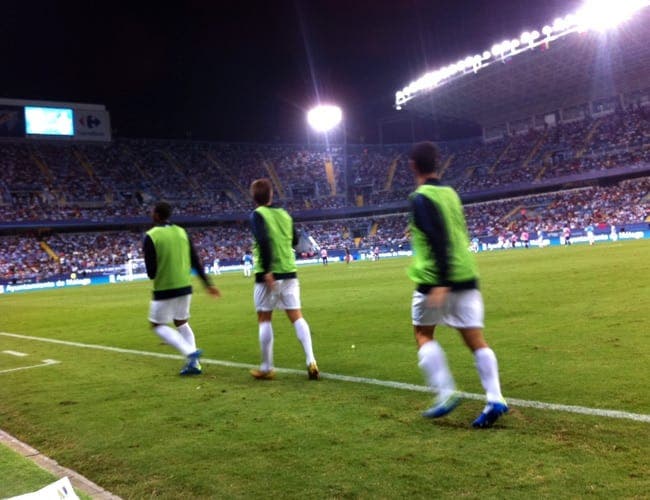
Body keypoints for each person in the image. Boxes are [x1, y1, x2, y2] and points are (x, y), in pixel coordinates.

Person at [406, 142, 507, 428]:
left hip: (435, 279)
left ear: (414, 165)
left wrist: (441, 281)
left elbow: (437, 237)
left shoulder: (420, 197)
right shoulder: (451, 194)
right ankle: (495, 397)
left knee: (423, 334)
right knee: (475, 339)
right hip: (467, 275)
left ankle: (445, 392)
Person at [248, 178, 319, 381]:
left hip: (268, 273)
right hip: (289, 271)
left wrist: (268, 270)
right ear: (271, 195)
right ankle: (311, 360)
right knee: (296, 316)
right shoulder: (285, 215)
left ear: (254, 197)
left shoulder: (257, 215)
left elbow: (263, 240)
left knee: (264, 318)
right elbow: (296, 240)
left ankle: (266, 367)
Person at [144, 202, 221, 375]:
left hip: (165, 288)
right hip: (185, 287)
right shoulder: (182, 232)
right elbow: (195, 260)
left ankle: (190, 352)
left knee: (157, 325)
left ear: (156, 215)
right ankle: (194, 365)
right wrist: (208, 284)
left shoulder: (151, 236)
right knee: (181, 322)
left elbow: (151, 272)